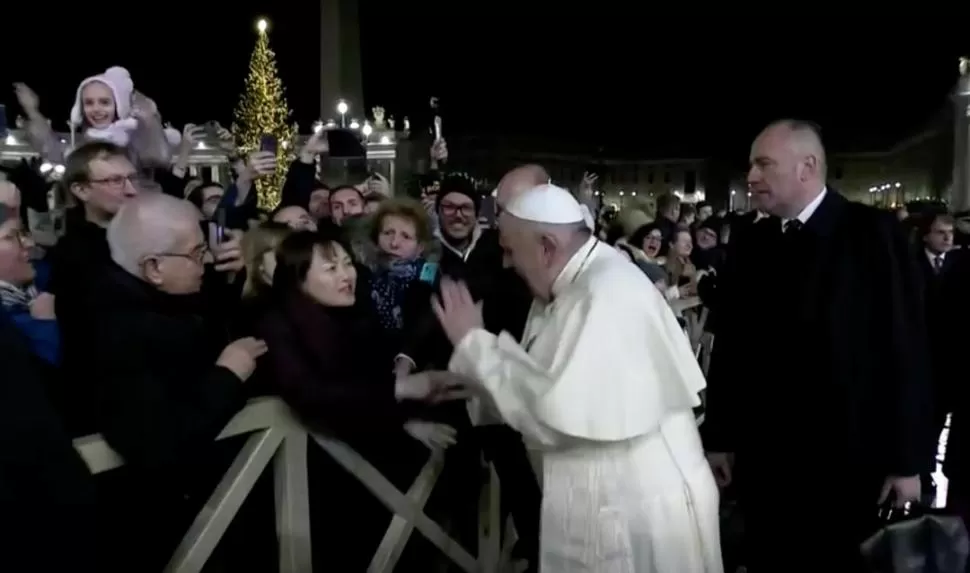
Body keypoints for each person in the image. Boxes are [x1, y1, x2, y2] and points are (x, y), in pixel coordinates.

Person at [432, 183, 722, 572]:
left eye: (510, 250)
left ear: (547, 246)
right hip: (616, 502)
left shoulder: (602, 293)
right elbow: (547, 375)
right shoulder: (576, 281)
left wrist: (474, 346)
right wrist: (475, 378)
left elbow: (554, 411)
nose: (507, 263)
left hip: (634, 515)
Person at [703, 119, 932, 569]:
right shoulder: (752, 240)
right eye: (751, 165)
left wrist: (907, 461)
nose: (751, 176)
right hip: (766, 463)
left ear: (807, 167)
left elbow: (906, 350)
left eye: (763, 164)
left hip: (848, 466)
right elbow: (732, 346)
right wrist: (721, 435)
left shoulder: (874, 235)